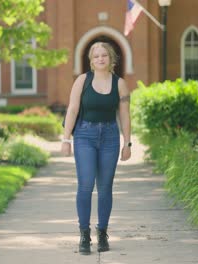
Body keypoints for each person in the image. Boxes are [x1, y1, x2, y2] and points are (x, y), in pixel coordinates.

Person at [61, 42, 131, 255]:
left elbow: (125, 115)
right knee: (85, 185)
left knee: (105, 187)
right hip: (85, 136)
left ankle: (102, 233)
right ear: (91, 61)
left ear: (111, 59)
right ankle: (84, 235)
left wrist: (127, 143)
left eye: (104, 55)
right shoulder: (83, 80)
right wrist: (66, 140)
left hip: (110, 137)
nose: (100, 59)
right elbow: (72, 110)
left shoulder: (120, 84)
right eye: (96, 56)